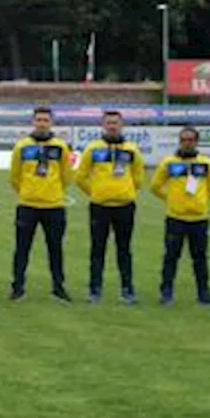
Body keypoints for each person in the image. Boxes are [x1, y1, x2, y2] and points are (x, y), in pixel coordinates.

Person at [76, 110, 144, 305]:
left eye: (115, 123)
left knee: (124, 249)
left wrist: (127, 192)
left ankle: (127, 290)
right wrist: (96, 193)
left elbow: (138, 177)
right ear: (103, 125)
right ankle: (95, 290)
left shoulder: (131, 150)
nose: (112, 126)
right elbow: (80, 177)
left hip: (125, 206)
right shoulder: (93, 149)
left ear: (122, 125)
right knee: (98, 249)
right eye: (109, 123)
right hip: (100, 207)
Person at [8, 107, 74, 302]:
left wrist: (52, 193)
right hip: (27, 205)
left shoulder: (60, 147)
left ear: (51, 122)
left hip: (53, 206)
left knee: (55, 248)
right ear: (33, 122)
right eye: (39, 120)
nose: (42, 123)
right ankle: (18, 287)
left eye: (46, 120)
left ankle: (58, 287)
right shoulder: (22, 146)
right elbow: (14, 176)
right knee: (22, 248)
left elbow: (66, 176)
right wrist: (28, 192)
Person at [150, 126, 210, 307]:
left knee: (200, 258)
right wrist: (171, 200)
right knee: (171, 256)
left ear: (196, 142)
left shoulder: (206, 164)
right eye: (184, 140)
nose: (187, 143)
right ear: (179, 141)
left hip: (199, 219)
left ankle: (204, 294)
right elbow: (155, 186)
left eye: (191, 140)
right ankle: (166, 293)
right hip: (176, 218)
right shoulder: (169, 163)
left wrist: (200, 202)